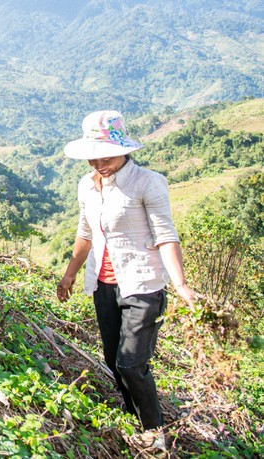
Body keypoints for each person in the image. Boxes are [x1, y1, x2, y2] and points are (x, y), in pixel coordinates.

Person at [55, 110, 200, 452]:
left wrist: (180, 285)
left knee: (132, 364)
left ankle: (155, 430)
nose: (99, 165)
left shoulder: (147, 182)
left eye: (106, 157)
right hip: (104, 284)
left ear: (124, 150)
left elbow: (165, 235)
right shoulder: (87, 186)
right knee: (112, 359)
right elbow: (85, 232)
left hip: (143, 285)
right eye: (93, 158)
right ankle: (134, 415)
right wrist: (70, 273)